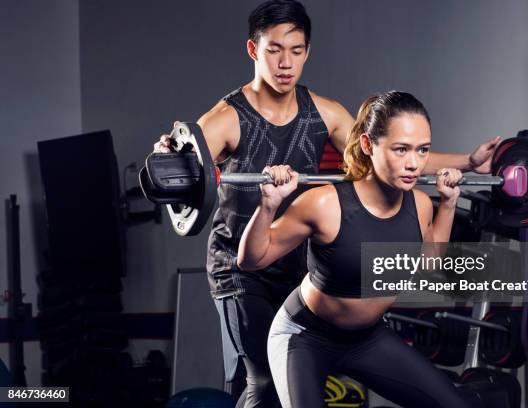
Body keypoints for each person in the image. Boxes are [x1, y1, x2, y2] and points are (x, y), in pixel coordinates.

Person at [154, 1, 500, 406]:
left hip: (300, 259)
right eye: (275, 50)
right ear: (254, 50)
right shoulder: (228, 118)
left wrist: (467, 161)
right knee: (263, 382)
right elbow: (183, 170)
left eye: (297, 51)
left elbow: (388, 152)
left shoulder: (325, 112)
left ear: (307, 52)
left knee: (281, 381)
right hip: (241, 268)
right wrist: (170, 158)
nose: (286, 63)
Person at [237, 91, 471, 408]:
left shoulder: (419, 204)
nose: (414, 163)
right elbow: (251, 260)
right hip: (305, 336)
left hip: (367, 339)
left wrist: (449, 203)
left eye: (422, 150)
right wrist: (268, 205)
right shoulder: (324, 204)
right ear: (367, 145)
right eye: (401, 150)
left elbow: (429, 262)